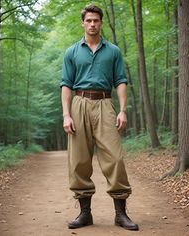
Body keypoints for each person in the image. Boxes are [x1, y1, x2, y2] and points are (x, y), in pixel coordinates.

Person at [60, 4, 139, 231]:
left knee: (114, 158)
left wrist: (122, 110)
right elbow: (66, 84)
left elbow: (121, 81)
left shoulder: (113, 51)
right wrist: (66, 115)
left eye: (96, 20)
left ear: (101, 23)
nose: (92, 24)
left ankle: (121, 214)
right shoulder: (72, 52)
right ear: (83, 23)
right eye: (89, 20)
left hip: (105, 104)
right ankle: (85, 213)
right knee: (78, 161)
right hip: (79, 104)